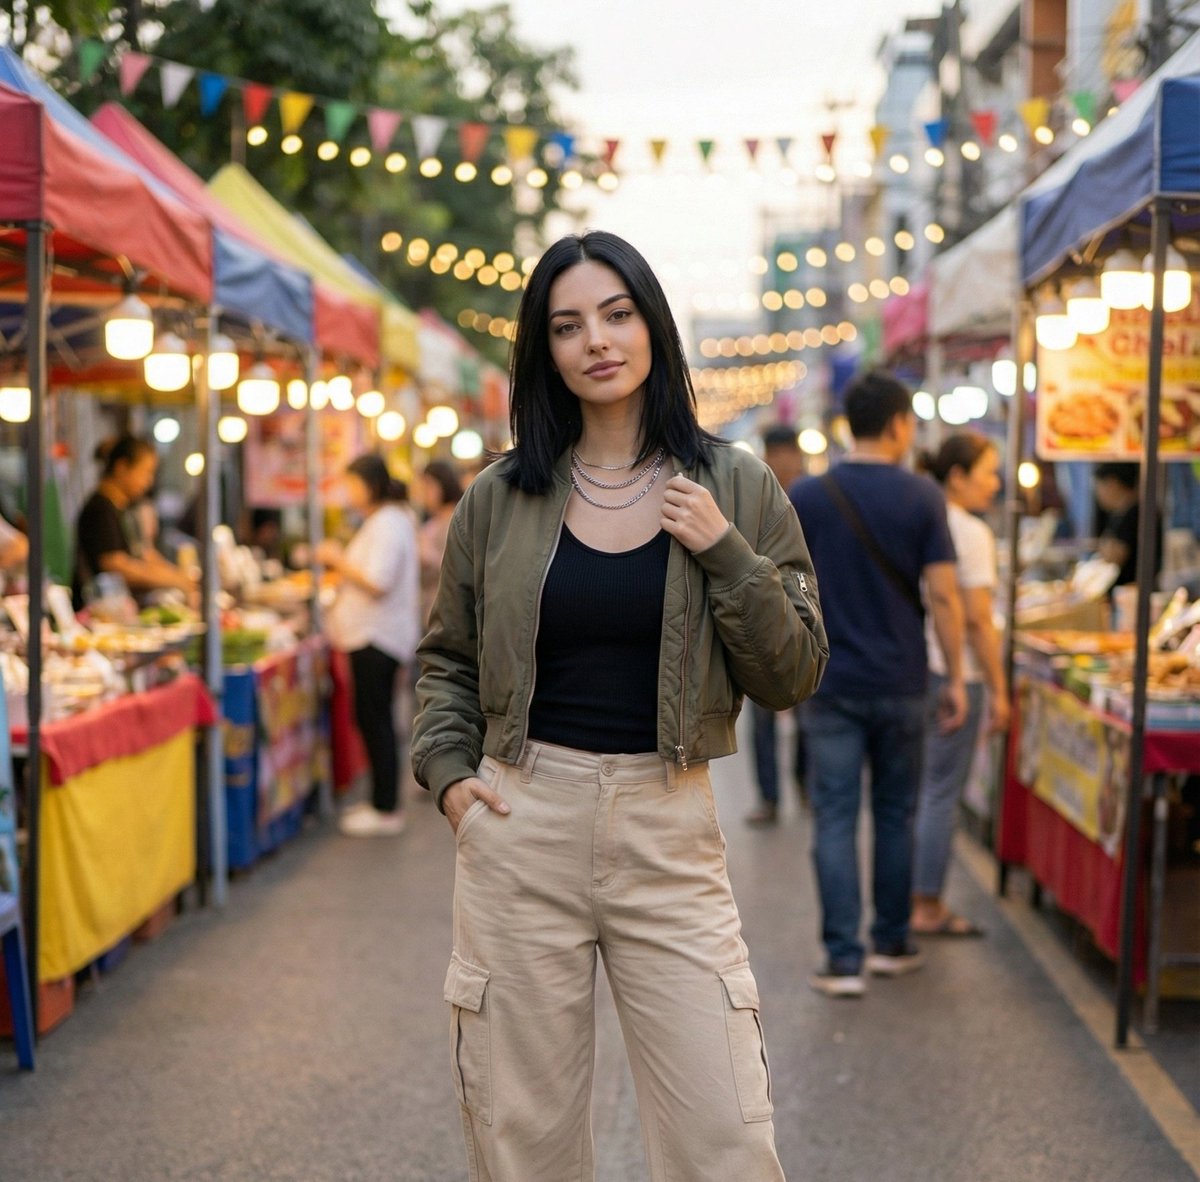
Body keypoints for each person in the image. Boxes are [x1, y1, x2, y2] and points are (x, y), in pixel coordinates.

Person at [413, 230, 827, 1181]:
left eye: (616, 313)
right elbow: (447, 662)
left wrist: (728, 553)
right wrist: (450, 781)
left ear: (652, 325)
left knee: (725, 1135)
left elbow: (794, 672)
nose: (596, 340)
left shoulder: (736, 484)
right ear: (543, 350)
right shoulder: (497, 498)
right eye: (567, 326)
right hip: (523, 817)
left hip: (666, 819)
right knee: (524, 1139)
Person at [790, 369, 966, 999]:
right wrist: (959, 675)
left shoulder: (809, 497)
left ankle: (842, 960)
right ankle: (891, 942)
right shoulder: (923, 497)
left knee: (834, 817)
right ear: (897, 424)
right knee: (896, 812)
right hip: (902, 678)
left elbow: (788, 592)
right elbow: (943, 596)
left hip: (829, 681)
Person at [912, 433, 1008, 937]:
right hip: (957, 674)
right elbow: (976, 619)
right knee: (941, 794)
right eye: (989, 471)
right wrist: (999, 688)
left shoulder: (918, 514)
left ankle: (904, 899)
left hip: (914, 670)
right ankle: (926, 904)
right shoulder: (970, 532)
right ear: (957, 476)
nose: (997, 483)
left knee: (914, 792)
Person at [318, 455, 420, 838]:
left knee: (375, 721)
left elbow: (378, 580)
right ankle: (381, 800)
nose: (349, 492)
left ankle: (386, 807)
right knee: (373, 719)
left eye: (353, 484)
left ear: (370, 483)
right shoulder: (385, 521)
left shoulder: (389, 523)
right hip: (372, 635)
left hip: (378, 636)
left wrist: (336, 560)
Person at [746, 424, 808, 827]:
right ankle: (769, 797)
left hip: (803, 622)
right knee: (763, 718)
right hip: (761, 624)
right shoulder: (754, 494)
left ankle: (803, 784)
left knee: (807, 711)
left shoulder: (811, 497)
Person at [71, 434, 196, 610]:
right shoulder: (100, 509)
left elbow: (145, 554)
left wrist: (181, 577)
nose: (149, 481)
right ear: (122, 467)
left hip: (124, 613)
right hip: (98, 615)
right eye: (146, 472)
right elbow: (115, 564)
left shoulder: (124, 509)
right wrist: (175, 580)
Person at [1094, 462, 1162, 587]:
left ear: (1112, 484)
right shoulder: (1120, 513)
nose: (1097, 493)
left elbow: (1115, 557)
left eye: (1099, 486)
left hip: (1134, 592)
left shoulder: (1137, 513)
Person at [417, 459, 463, 625]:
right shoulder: (434, 520)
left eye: (428, 486)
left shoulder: (456, 519)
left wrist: (428, 556)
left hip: (448, 611)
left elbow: (458, 565)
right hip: (432, 607)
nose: (423, 493)